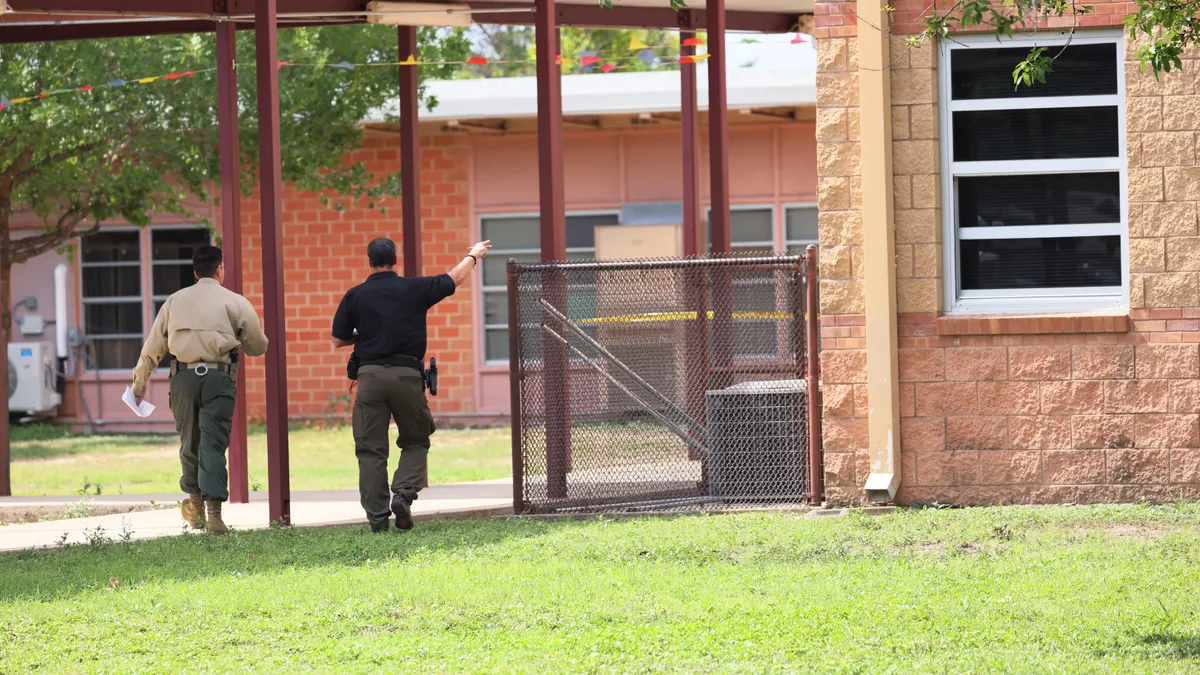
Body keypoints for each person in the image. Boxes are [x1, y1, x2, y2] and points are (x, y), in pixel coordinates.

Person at [332, 237, 491, 533]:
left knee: (370, 451)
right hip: (407, 376)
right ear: (395, 259)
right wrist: (473, 255)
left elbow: (338, 339)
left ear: (369, 261)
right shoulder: (414, 289)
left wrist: (364, 334)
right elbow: (453, 279)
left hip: (368, 378)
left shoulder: (355, 296)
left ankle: (378, 522)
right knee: (417, 439)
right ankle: (403, 494)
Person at [131, 245, 269, 535]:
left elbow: (153, 347)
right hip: (219, 379)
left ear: (195, 272)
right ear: (220, 270)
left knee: (189, 442)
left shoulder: (174, 301)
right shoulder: (236, 302)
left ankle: (195, 508)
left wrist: (139, 384)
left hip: (183, 378)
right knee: (214, 444)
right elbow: (258, 346)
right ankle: (216, 516)